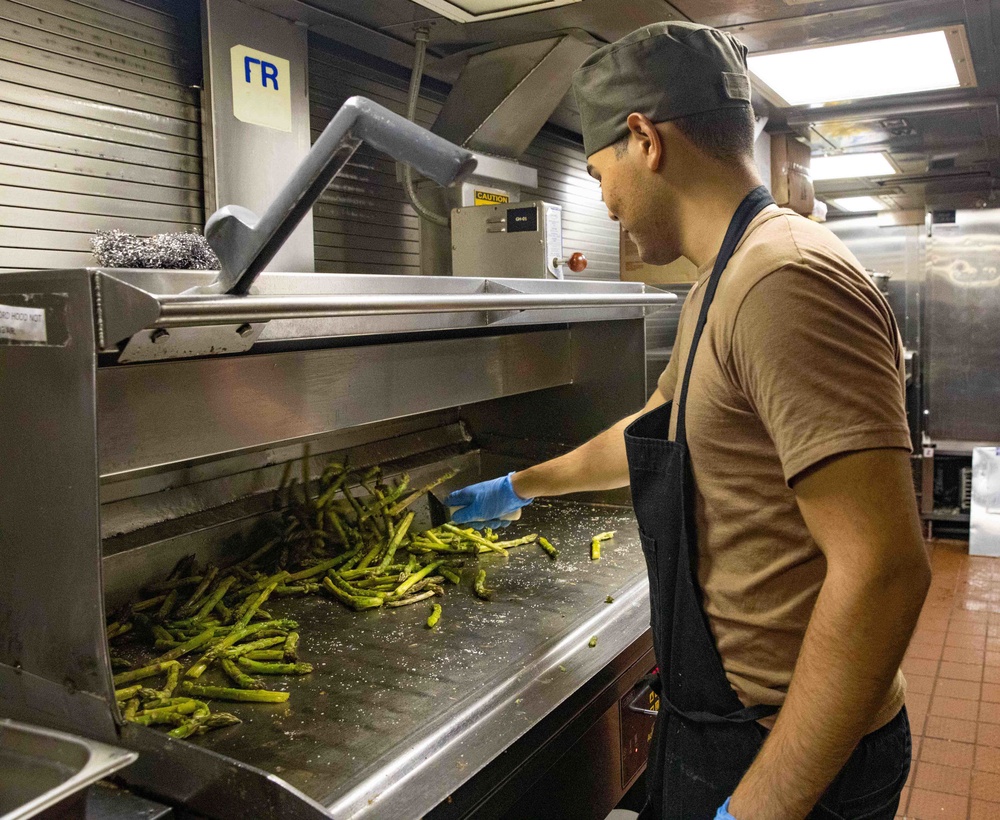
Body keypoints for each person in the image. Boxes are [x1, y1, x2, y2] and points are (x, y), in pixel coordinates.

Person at [445, 21, 930, 820]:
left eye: (602, 174)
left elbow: (884, 570)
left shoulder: (785, 280)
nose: (604, 203)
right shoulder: (722, 281)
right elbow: (657, 428)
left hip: (793, 752)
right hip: (722, 727)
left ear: (644, 139)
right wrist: (519, 487)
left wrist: (764, 807)